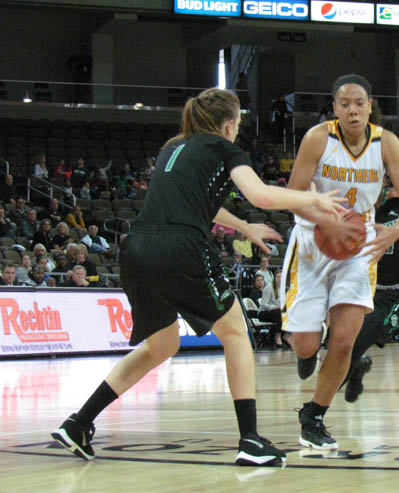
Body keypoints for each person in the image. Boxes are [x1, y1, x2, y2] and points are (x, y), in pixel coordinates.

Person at [50, 87, 346, 467]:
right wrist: (313, 200)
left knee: (161, 346)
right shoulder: (225, 149)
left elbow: (200, 203)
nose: (239, 129)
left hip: (138, 249)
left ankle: (78, 423)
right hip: (182, 249)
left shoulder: (173, 148)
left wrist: (243, 227)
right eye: (238, 122)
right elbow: (261, 195)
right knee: (237, 333)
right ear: (228, 124)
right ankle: (250, 441)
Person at [281, 74, 399, 450]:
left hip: (358, 245)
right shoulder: (317, 138)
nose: (353, 109)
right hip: (314, 241)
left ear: (370, 105)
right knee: (306, 344)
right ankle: (308, 347)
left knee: (345, 340)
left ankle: (313, 417)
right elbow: (293, 194)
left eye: (359, 102)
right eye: (345, 103)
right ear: (335, 107)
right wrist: (326, 218)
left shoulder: (385, 143)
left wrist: (394, 232)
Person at [341, 182, 399, 402]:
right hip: (370, 286)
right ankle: (355, 370)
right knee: (346, 342)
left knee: (360, 340)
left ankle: (318, 407)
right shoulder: (358, 213)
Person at [258, 270, 283, 347]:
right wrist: (275, 307)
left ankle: (280, 335)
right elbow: (263, 304)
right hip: (264, 313)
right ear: (274, 278)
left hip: (277, 313)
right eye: (278, 277)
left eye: (281, 276)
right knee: (280, 313)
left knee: (284, 315)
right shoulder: (268, 288)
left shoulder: (284, 289)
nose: (279, 278)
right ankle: (278, 336)